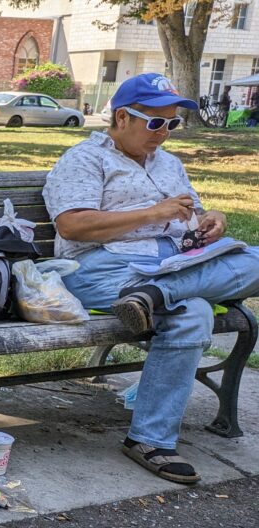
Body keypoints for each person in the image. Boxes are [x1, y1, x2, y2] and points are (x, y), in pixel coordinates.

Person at [44, 73, 259, 485]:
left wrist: (212, 219)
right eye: (155, 123)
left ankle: (155, 295)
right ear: (122, 117)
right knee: (193, 311)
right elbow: (72, 226)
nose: (164, 134)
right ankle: (153, 439)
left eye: (172, 124)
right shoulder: (85, 160)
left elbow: (191, 212)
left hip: (170, 265)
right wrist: (152, 214)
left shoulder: (168, 163)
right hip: (101, 266)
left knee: (246, 266)